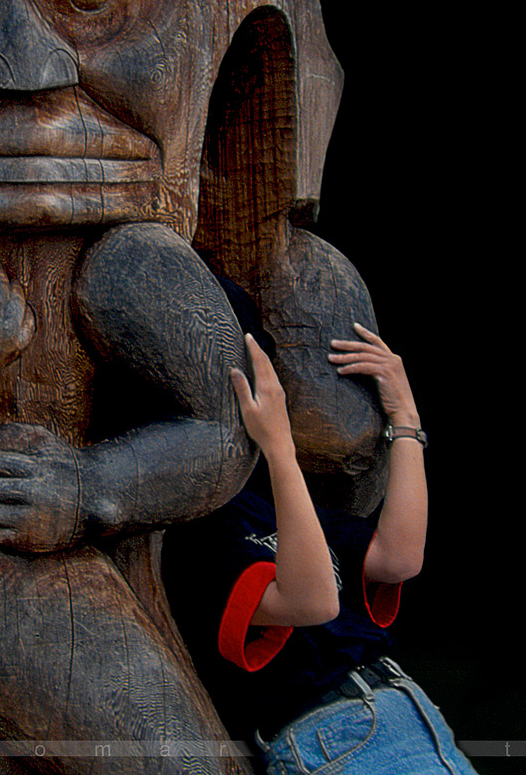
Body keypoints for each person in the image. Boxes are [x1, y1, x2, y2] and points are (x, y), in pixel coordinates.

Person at [163, 320, 479, 775]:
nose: (276, 396)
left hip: (407, 717)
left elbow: (398, 559)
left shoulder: (269, 503)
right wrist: (278, 449)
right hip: (332, 736)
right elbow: (311, 602)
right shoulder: (195, 529)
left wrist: (405, 419)